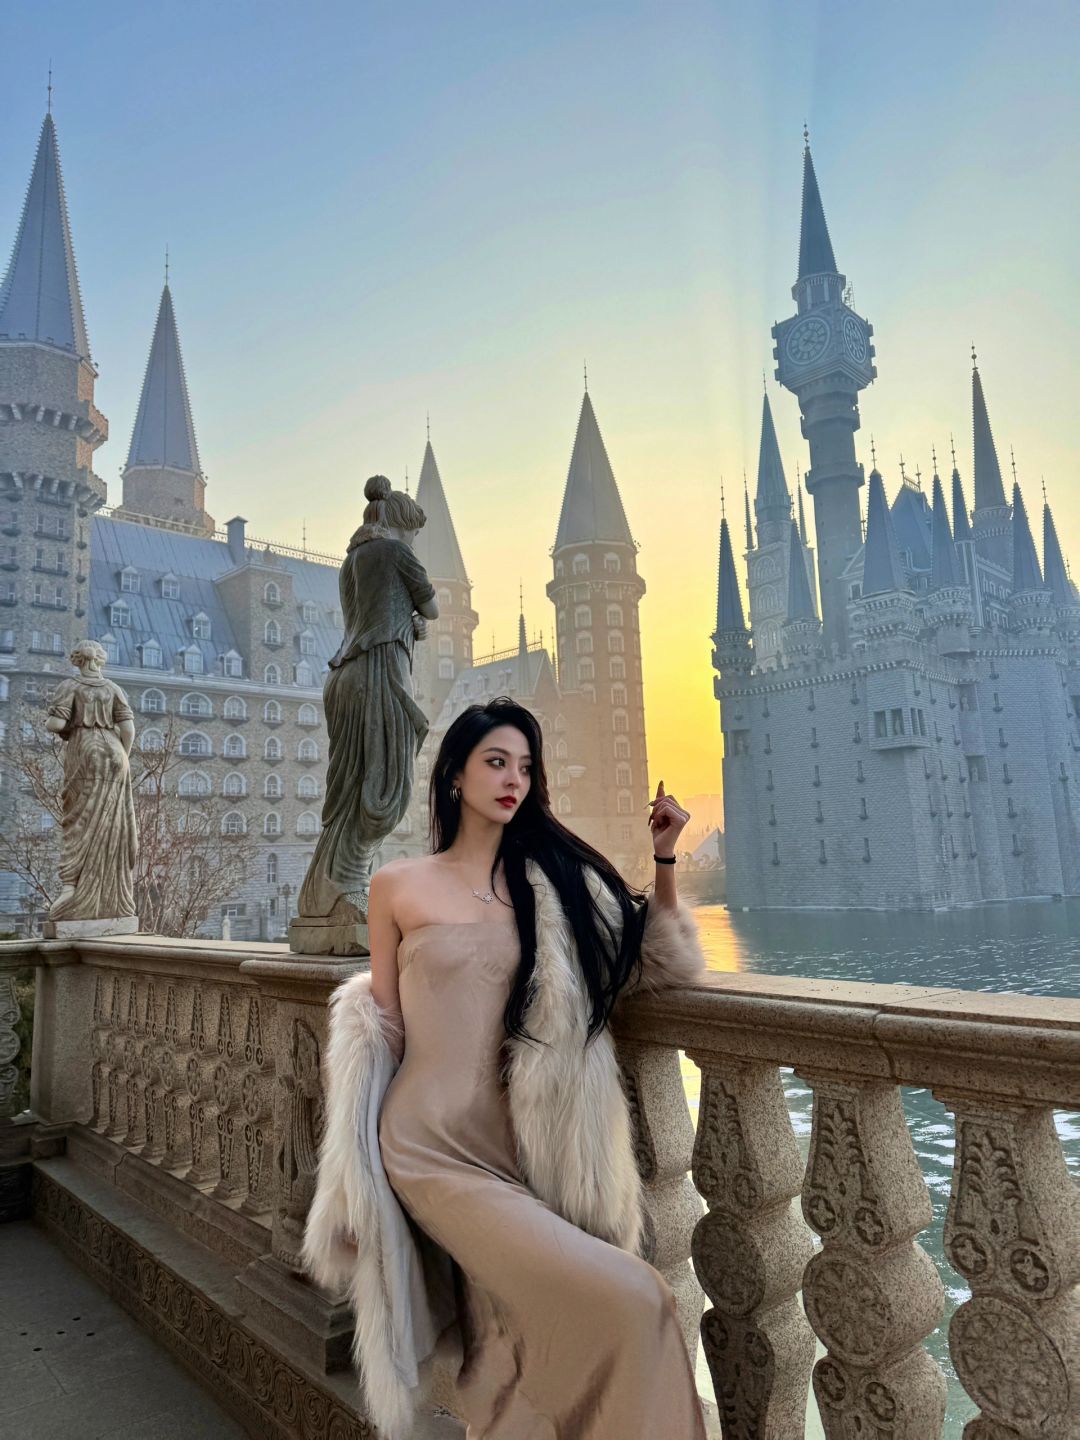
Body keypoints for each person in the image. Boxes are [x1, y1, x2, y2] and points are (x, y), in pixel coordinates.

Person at [304, 696, 708, 1439]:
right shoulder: (398, 884)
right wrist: (352, 1176)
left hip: (518, 1147)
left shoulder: (552, 885)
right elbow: (383, 1028)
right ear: (455, 774)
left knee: (508, 1345)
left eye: (525, 766)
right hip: (426, 1148)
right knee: (638, 1298)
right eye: (496, 762)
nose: (513, 779)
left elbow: (655, 963)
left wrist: (663, 859)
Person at [296, 474, 439, 924]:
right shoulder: (396, 551)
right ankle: (349, 882)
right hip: (380, 671)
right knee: (388, 788)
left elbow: (379, 611)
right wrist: (416, 620)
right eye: (414, 532)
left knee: (349, 786)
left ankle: (328, 892)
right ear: (403, 525)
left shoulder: (351, 560)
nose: (414, 540)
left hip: (344, 675)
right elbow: (431, 607)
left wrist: (408, 622)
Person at [45, 638, 138, 922]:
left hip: (85, 751)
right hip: (116, 753)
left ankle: (71, 887)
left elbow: (56, 724)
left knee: (79, 820)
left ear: (77, 660)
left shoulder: (70, 686)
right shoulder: (113, 688)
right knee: (113, 822)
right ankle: (113, 894)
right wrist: (123, 758)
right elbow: (128, 729)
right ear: (100, 659)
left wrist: (52, 719)